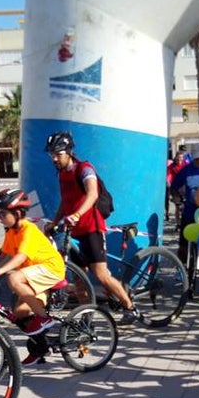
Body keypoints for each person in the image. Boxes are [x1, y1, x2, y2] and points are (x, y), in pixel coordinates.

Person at [44, 130, 139, 324]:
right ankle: (87, 319)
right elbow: (65, 201)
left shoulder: (84, 169)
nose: (54, 158)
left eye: (58, 154)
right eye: (51, 154)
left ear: (69, 151)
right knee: (79, 280)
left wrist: (77, 214)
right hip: (75, 232)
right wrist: (55, 223)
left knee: (102, 275)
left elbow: (93, 194)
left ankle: (130, 308)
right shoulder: (62, 174)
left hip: (92, 228)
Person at [0, 188, 66, 366]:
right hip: (33, 274)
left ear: (16, 213)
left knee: (14, 278)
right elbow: (5, 256)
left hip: (50, 269)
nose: (0, 217)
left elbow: (20, 257)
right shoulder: (11, 232)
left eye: (3, 213)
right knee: (20, 313)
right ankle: (40, 349)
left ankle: (44, 318)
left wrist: (0, 272)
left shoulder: (28, 230)